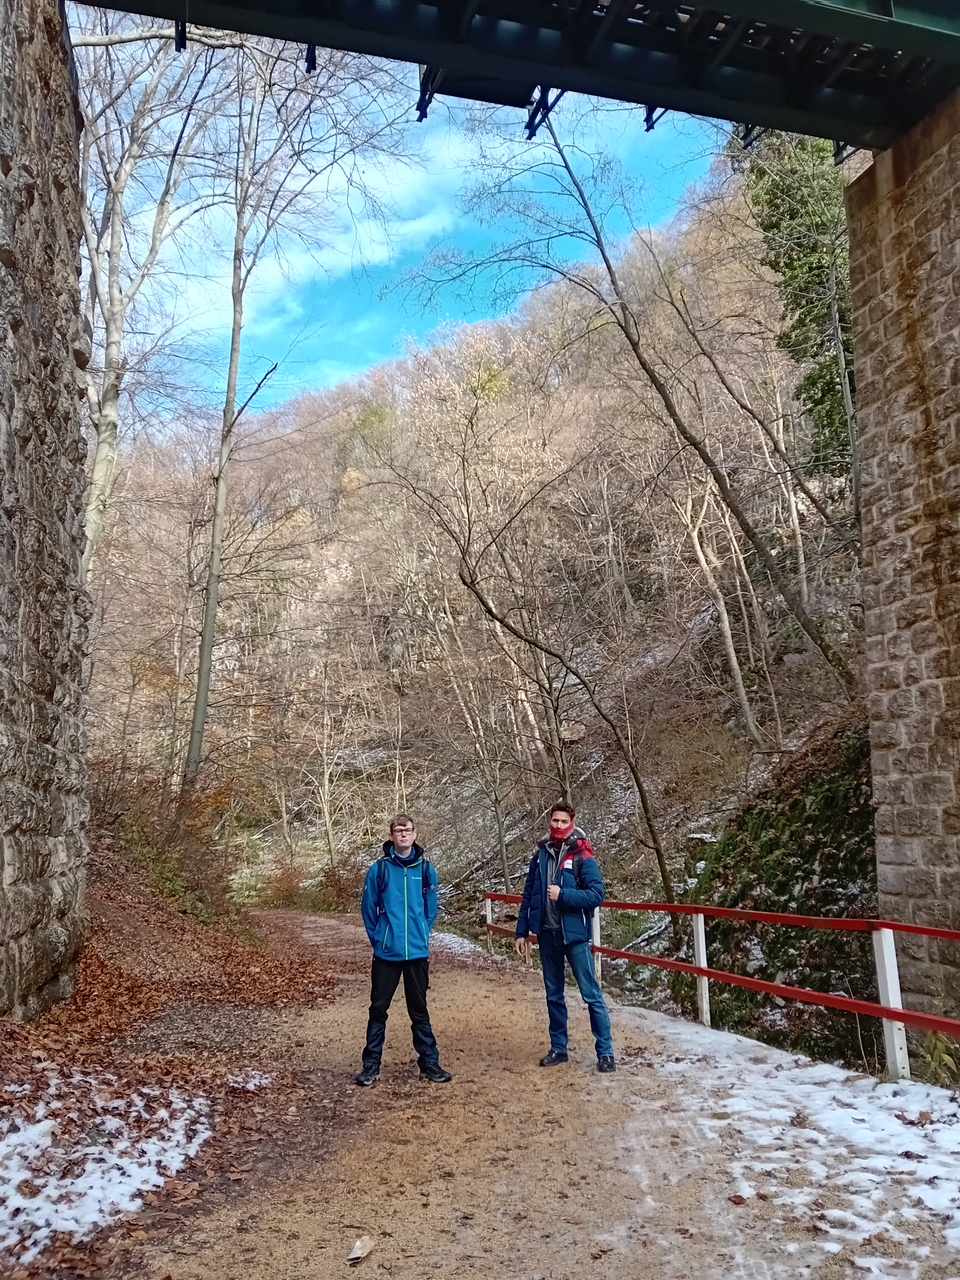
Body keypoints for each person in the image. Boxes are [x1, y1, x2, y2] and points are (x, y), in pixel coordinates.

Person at [515, 801, 615, 1073]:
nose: (558, 825)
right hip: (547, 935)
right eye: (555, 820)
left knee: (591, 995)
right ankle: (558, 1048)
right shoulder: (540, 854)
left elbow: (596, 895)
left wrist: (564, 895)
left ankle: (605, 1052)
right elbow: (529, 894)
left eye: (563, 821)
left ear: (572, 823)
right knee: (553, 995)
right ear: (549, 821)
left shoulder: (582, 854)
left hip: (575, 937)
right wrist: (521, 932)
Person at [355, 814, 452, 1087]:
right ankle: (371, 1065)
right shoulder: (379, 870)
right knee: (378, 1008)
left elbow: (430, 908)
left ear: (415, 833)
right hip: (387, 953)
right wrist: (380, 939)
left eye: (407, 830)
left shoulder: (426, 870)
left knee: (419, 1009)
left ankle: (429, 1061)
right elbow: (368, 908)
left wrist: (421, 932)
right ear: (391, 835)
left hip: (417, 953)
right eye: (398, 830)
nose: (403, 834)